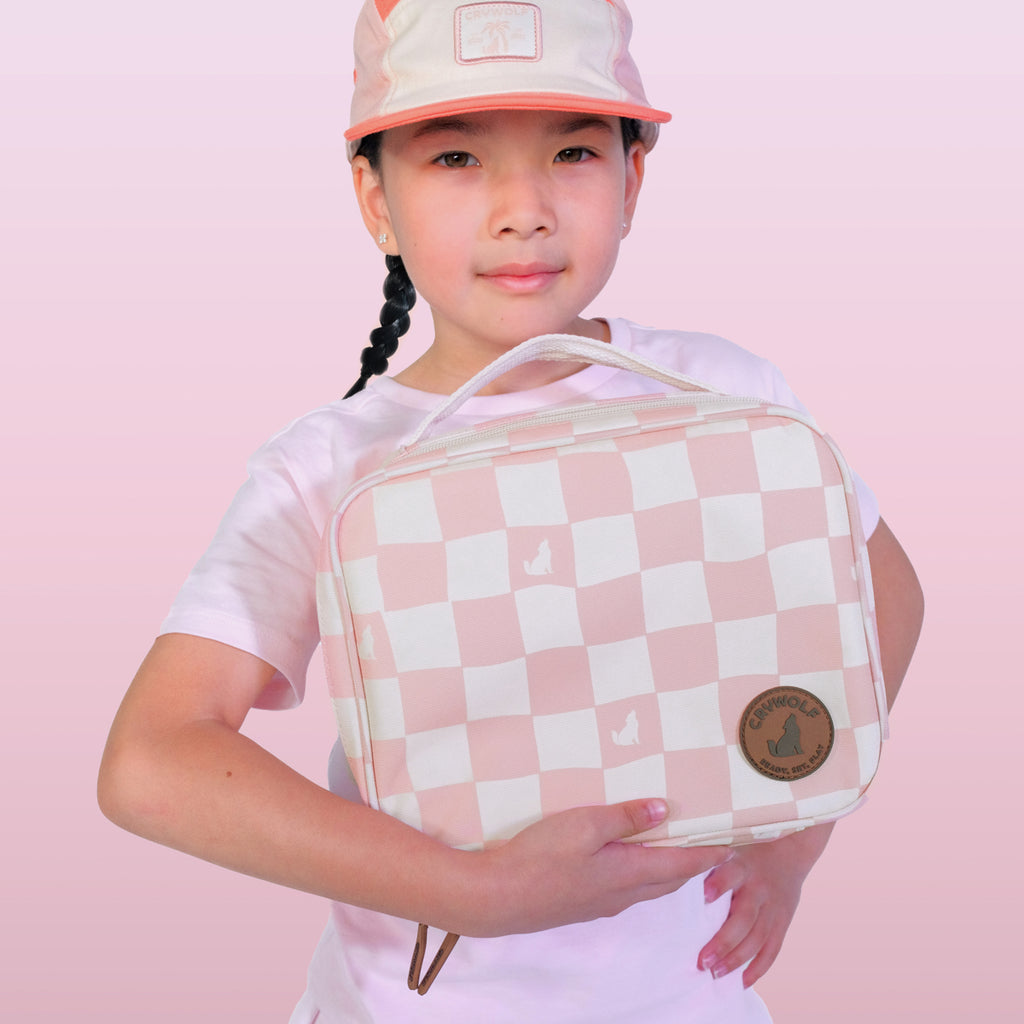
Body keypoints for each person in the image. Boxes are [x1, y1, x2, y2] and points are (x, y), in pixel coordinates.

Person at [98, 1, 924, 1021]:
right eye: (454, 159)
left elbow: (880, 585)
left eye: (573, 150)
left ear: (634, 178)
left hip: (680, 997)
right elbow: (151, 759)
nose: (522, 207)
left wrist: (791, 840)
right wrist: (476, 892)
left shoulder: (723, 397)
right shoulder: (327, 467)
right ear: (374, 197)